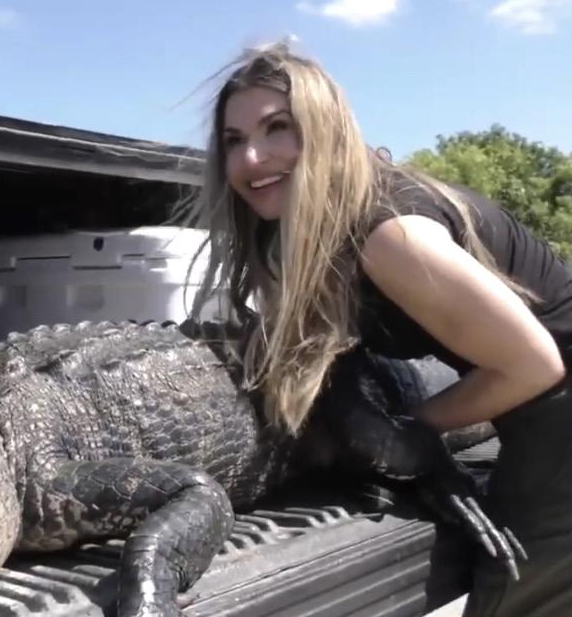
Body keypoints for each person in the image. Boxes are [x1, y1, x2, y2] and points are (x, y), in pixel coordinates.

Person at [185, 41, 572, 617]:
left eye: (277, 128)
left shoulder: (391, 237)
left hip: (557, 412)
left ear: (326, 130)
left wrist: (404, 432)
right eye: (234, 141)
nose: (251, 158)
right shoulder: (305, 236)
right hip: (538, 418)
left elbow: (535, 366)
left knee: (512, 595)